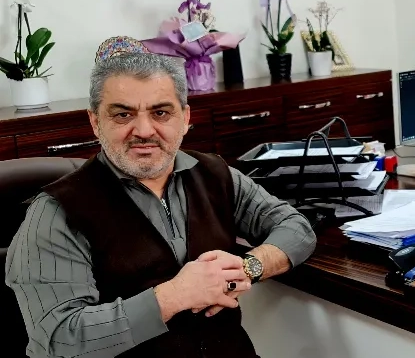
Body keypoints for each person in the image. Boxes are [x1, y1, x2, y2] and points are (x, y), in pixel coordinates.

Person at [4, 53, 317, 358]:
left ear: (185, 118)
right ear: (95, 122)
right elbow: (59, 340)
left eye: (161, 113)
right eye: (123, 115)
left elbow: (296, 228)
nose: (144, 131)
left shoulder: (215, 174)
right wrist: (173, 296)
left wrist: (247, 268)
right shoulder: (56, 212)